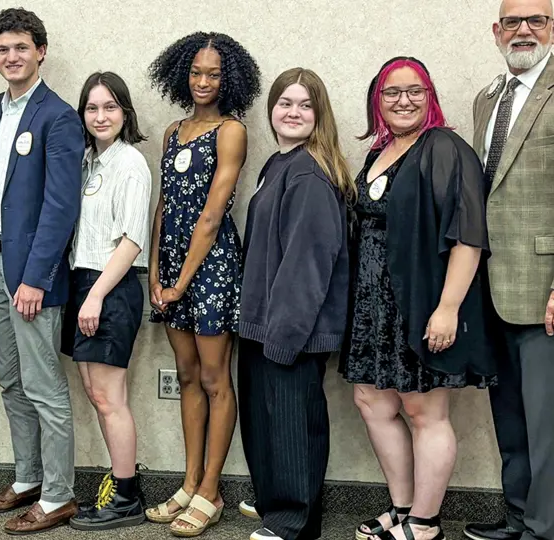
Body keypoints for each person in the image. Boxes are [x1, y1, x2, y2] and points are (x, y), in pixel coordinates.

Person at [341, 56, 496, 540]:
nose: (403, 101)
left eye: (414, 91)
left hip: (422, 304)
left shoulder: (444, 148)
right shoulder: (379, 152)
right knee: (372, 401)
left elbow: (468, 235)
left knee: (424, 411)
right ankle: (403, 507)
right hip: (372, 308)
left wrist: (448, 308)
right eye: (391, 93)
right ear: (377, 101)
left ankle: (426, 524)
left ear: (429, 97)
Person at [0, 8, 83, 535]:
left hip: (33, 274)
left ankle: (59, 495)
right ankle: (27, 478)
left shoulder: (58, 117)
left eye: (20, 47)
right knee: (10, 382)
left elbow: (61, 206)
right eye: (2, 49)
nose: (11, 57)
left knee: (43, 386)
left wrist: (34, 278)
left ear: (40, 51)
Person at [144, 32, 261, 537]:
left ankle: (211, 492)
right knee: (187, 377)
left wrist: (180, 283)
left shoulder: (231, 131)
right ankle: (189, 483)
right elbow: (165, 206)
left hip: (211, 268)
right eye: (196, 72)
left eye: (213, 73)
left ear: (228, 78)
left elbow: (212, 214)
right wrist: (154, 271)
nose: (203, 81)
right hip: (170, 268)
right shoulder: (173, 131)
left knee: (216, 380)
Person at [238, 68, 353, 540]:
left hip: (290, 331)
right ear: (272, 110)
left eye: (305, 105)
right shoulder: (278, 164)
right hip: (262, 325)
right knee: (266, 424)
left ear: (318, 114)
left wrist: (284, 338)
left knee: (291, 428)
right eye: (285, 102)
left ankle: (292, 523)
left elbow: (307, 266)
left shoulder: (307, 175)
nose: (293, 112)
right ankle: (275, 504)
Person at [464, 2, 554, 540]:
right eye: (513, 22)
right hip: (492, 287)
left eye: (537, 20)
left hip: (542, 287)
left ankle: (545, 528)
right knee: (512, 417)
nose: (524, 30)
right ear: (496, 32)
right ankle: (520, 517)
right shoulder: (487, 99)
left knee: (547, 424)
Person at [60, 71, 152, 532]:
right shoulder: (87, 163)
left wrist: (95, 296)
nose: (101, 116)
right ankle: (118, 486)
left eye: (110, 107)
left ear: (125, 113)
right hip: (84, 284)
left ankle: (127, 497)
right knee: (97, 394)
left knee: (110, 397)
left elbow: (132, 241)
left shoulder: (130, 163)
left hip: (110, 288)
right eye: (92, 108)